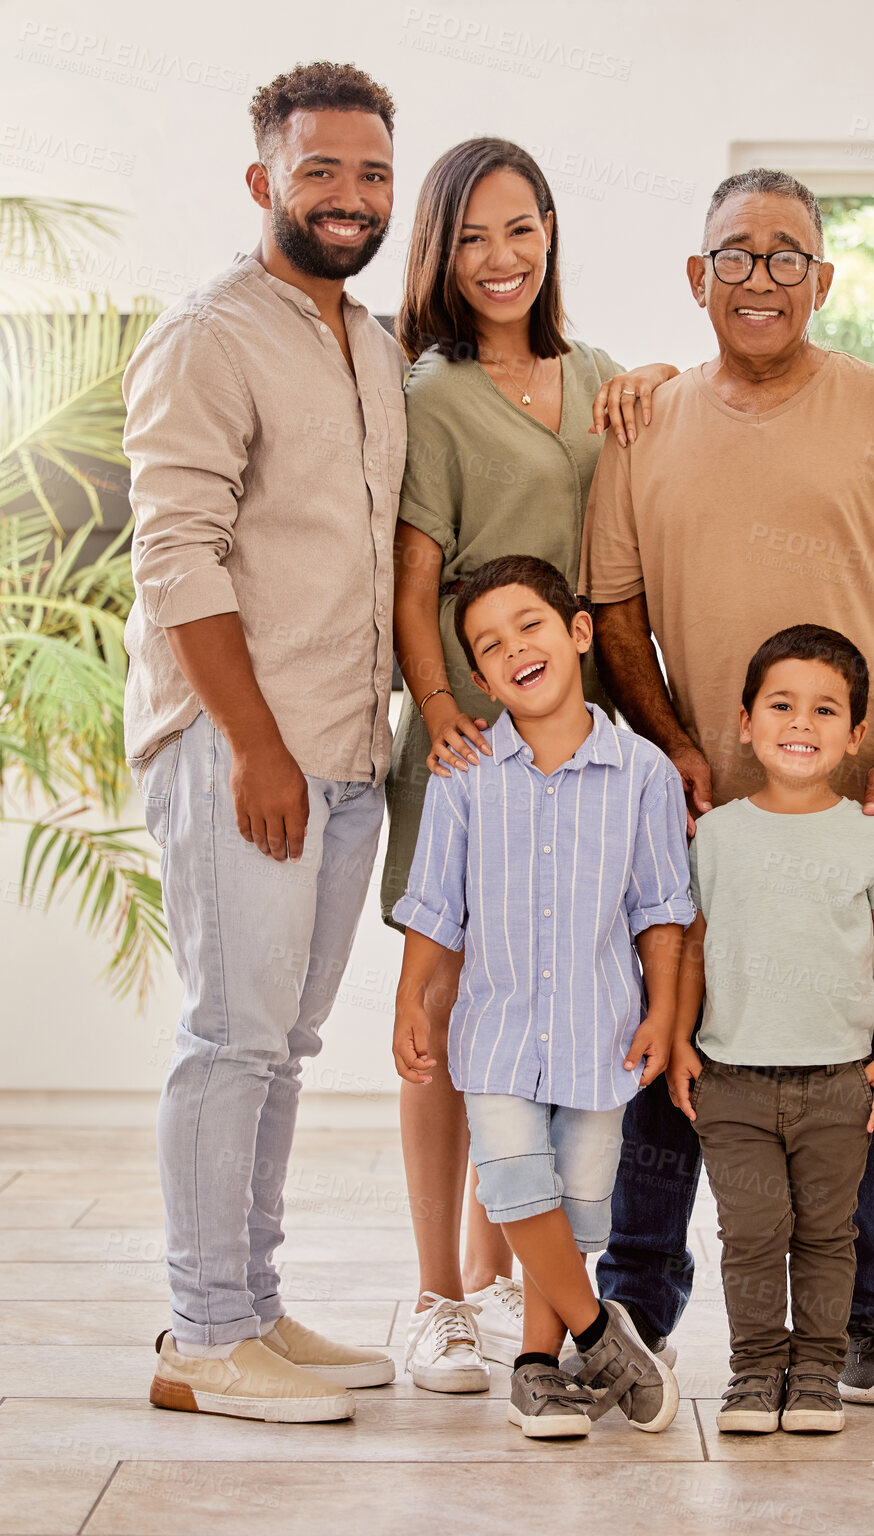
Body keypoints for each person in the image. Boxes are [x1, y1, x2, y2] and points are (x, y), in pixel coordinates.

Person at [579, 167, 874, 1404]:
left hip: (867, 814)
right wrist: (677, 746)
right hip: (701, 823)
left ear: (825, 277)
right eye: (736, 256)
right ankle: (636, 1312)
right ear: (698, 279)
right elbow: (614, 607)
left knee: (872, 1082)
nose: (762, 277)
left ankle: (859, 1327)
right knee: (672, 1058)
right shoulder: (642, 423)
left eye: (788, 255)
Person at [123, 63, 404, 1422]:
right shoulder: (208, 335)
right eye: (320, 171)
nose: (349, 198)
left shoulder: (375, 343)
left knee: (280, 1045)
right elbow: (177, 554)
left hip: (348, 754)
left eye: (370, 175)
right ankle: (200, 1335)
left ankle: (252, 1307)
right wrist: (255, 746)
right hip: (245, 753)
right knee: (229, 1036)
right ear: (263, 183)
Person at [379, 138, 679, 1389]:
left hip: (593, 737)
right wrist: (446, 710)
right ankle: (440, 1294)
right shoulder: (432, 397)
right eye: (470, 238)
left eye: (520, 230)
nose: (498, 259)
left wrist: (661, 375)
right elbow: (412, 579)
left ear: (551, 231)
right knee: (451, 1017)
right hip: (471, 736)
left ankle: (520, 1287)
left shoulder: (603, 375)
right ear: (441, 254)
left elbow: (664, 450)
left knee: (571, 1011)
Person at [391, 555, 695, 1439]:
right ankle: (602, 1334)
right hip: (495, 1036)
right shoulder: (465, 776)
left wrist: (666, 1013)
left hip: (602, 1037)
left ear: (578, 633)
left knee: (575, 1207)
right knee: (517, 1184)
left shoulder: (642, 773)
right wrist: (413, 997)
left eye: (530, 625)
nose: (514, 648)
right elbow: (435, 905)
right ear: (478, 678)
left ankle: (536, 1364)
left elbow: (663, 910)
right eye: (489, 646)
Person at [668, 625, 874, 1435]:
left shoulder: (869, 837)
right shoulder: (716, 835)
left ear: (854, 737)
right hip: (732, 1081)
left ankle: (815, 1374)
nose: (800, 723)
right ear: (746, 721)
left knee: (824, 1235)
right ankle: (754, 1373)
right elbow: (692, 946)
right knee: (748, 1236)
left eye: (824, 710)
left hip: (839, 1083)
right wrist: (678, 1040)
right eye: (781, 705)